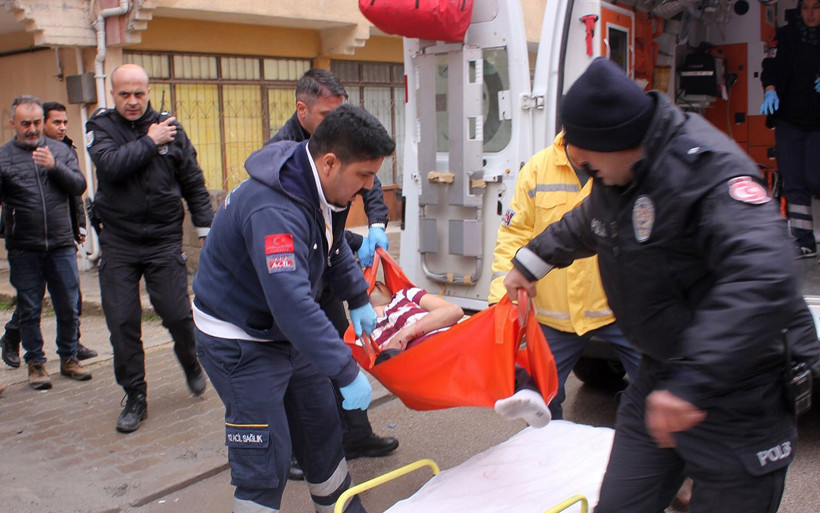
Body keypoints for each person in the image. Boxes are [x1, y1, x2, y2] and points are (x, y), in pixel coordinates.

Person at [503, 58, 820, 513]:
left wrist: (693, 383)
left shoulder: (709, 173)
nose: (582, 163)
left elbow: (765, 272)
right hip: (661, 375)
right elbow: (587, 221)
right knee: (619, 504)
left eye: (586, 153)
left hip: (740, 388)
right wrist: (528, 265)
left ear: (617, 141)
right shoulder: (618, 173)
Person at [192, 104, 395, 513]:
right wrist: (344, 368)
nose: (370, 187)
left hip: (283, 331)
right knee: (266, 457)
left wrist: (357, 297)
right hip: (240, 341)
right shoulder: (275, 209)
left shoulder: (319, 188)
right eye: (365, 175)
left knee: (321, 427)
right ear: (331, 162)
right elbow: (292, 304)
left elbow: (332, 245)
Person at [269, 68, 398, 478]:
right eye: (328, 115)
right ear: (302, 110)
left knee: (341, 347)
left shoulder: (344, 154)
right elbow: (290, 293)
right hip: (287, 283)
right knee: (299, 362)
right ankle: (293, 449)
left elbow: (345, 216)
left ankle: (355, 433)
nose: (338, 123)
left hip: (322, 270)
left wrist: (375, 225)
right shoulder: (283, 162)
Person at [85, 64, 214, 433]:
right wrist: (150, 141)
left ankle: (190, 361)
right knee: (122, 320)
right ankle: (136, 396)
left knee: (176, 314)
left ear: (148, 91)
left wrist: (206, 229)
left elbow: (192, 179)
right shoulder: (101, 127)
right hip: (119, 241)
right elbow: (110, 167)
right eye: (125, 94)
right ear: (113, 94)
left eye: (139, 93)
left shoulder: (171, 128)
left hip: (162, 241)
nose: (133, 101)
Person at [488, 130, 640, 420]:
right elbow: (514, 233)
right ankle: (546, 458)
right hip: (555, 318)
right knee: (541, 403)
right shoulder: (537, 168)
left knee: (660, 388)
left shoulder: (616, 164)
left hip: (615, 311)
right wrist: (501, 296)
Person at [0, 96, 92, 389]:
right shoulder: (4, 157)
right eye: (25, 123)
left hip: (61, 243)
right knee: (29, 307)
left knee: (68, 303)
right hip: (24, 246)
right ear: (13, 123)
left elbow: (78, 186)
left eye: (37, 122)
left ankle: (69, 358)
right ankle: (36, 364)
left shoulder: (60, 151)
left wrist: (54, 166)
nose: (32, 129)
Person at [369, 282, 551, 428]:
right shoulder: (365, 327)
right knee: (388, 361)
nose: (374, 283)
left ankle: (528, 396)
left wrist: (408, 332)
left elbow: (454, 311)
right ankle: (514, 394)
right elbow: (384, 364)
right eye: (364, 281)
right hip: (417, 366)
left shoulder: (405, 295)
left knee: (486, 350)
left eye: (378, 280)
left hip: (448, 342)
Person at [760, 0, 820, 258]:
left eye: (816, 7)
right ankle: (803, 240)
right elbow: (770, 67)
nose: (810, 13)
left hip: (818, 122)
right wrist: (770, 90)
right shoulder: (785, 35)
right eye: (806, 7)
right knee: (794, 180)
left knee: (815, 177)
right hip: (789, 121)